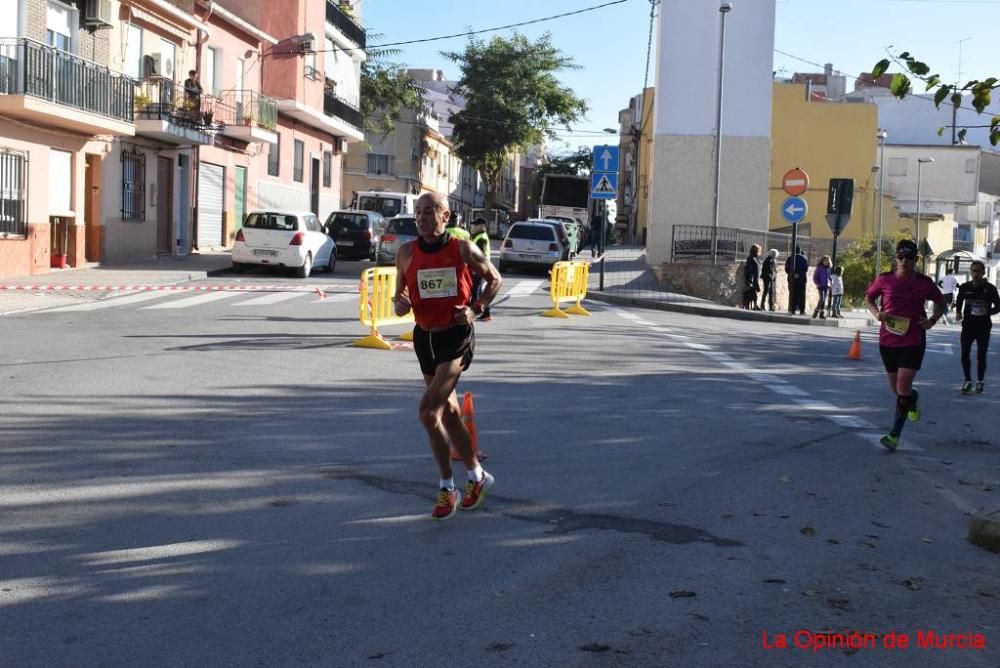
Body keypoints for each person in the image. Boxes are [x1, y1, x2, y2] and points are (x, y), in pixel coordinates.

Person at [393, 192, 502, 519]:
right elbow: (399, 294)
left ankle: (446, 488)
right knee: (451, 414)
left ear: (446, 216)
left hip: (456, 337)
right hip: (424, 338)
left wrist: (476, 308)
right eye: (419, 213)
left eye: (430, 212)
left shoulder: (462, 249)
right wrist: (400, 303)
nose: (423, 218)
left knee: (428, 412)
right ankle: (478, 478)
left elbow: (494, 279)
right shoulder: (406, 252)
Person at [863, 239, 945, 451]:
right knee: (897, 390)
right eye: (901, 257)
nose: (904, 261)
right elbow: (868, 299)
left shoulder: (924, 283)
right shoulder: (884, 280)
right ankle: (912, 398)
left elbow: (942, 302)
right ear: (895, 259)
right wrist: (877, 314)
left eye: (909, 257)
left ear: (916, 259)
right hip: (888, 340)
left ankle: (894, 435)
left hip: (914, 340)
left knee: (901, 387)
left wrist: (933, 320)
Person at [955, 260, 1000, 394]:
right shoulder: (965, 287)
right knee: (964, 354)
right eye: (973, 271)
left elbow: (998, 306)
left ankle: (980, 381)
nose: (975, 274)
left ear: (983, 272)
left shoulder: (990, 289)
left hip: (983, 327)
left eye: (978, 271)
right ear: (971, 272)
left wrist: (988, 311)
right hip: (968, 326)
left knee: (981, 355)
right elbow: (959, 300)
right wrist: (958, 312)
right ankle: (967, 381)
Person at [469, 217, 493, 321]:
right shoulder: (478, 236)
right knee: (477, 290)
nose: (474, 226)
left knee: (475, 290)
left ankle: (476, 312)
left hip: (481, 267)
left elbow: (480, 254)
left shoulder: (482, 237)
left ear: (482, 226)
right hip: (480, 266)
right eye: (474, 224)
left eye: (476, 225)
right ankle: (485, 313)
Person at [785, 246, 809, 315]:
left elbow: (787, 269)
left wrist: (793, 274)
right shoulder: (804, 258)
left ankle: (792, 309)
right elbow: (806, 269)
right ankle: (802, 310)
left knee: (793, 294)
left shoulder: (790, 258)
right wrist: (799, 274)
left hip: (792, 279)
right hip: (802, 279)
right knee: (802, 295)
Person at [742, 244, 761, 310]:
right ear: (756, 251)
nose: (760, 253)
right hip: (752, 280)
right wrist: (751, 281)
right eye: (759, 251)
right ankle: (752, 306)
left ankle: (754, 306)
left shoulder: (754, 258)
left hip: (754, 280)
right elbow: (749, 270)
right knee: (752, 294)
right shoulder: (751, 259)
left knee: (753, 294)